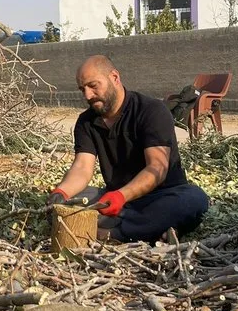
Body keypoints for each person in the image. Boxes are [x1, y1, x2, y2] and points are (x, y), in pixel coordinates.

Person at [47, 55, 209, 243]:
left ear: (114, 77)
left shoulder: (151, 110)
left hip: (161, 196)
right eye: (82, 89)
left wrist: (122, 196)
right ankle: (152, 230)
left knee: (194, 200)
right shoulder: (86, 121)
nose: (88, 96)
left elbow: (157, 168)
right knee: (67, 203)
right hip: (115, 200)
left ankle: (110, 234)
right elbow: (82, 167)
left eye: (93, 86)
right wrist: (61, 193)